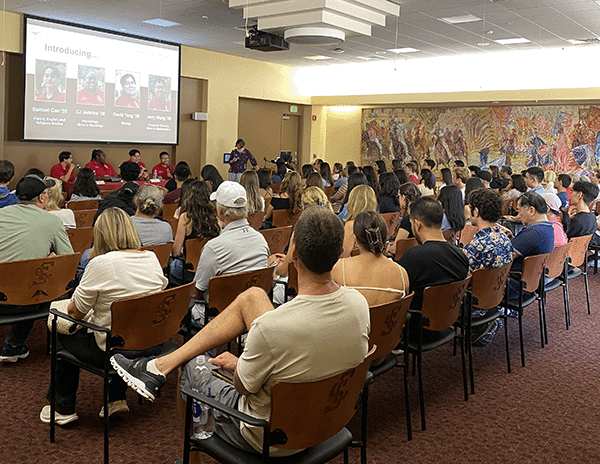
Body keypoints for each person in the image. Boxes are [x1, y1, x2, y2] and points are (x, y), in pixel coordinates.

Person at [110, 206, 369, 457]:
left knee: (191, 364)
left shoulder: (273, 329)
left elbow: (243, 387)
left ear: (295, 253)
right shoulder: (359, 304)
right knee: (254, 296)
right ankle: (158, 366)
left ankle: (193, 455)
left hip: (268, 436)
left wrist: (239, 365)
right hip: (326, 419)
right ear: (338, 253)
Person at [39, 207, 168, 424]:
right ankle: (115, 399)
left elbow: (75, 312)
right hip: (151, 342)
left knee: (62, 332)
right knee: (121, 327)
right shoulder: (152, 258)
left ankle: (62, 409)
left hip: (112, 349)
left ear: (99, 235)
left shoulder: (100, 263)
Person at [0, 174, 73, 362]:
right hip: (26, 301)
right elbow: (67, 261)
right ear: (42, 198)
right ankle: (14, 344)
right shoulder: (52, 221)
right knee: (38, 281)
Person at [187, 181, 270, 325]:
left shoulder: (214, 247)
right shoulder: (260, 239)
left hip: (219, 315)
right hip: (253, 310)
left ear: (220, 211)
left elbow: (197, 291)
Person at [398, 197, 469, 340]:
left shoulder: (412, 257)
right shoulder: (461, 256)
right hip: (448, 320)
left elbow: (399, 296)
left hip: (414, 329)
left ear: (417, 225)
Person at [333, 211, 408, 306]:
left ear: (356, 240)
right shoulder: (402, 274)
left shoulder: (338, 268)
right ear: (385, 238)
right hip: (386, 320)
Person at [170, 180, 220, 282]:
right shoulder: (216, 217)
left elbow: (176, 252)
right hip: (210, 269)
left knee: (172, 262)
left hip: (189, 271)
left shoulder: (185, 218)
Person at [508, 192, 554, 299]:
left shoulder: (533, 232)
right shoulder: (548, 228)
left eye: (519, 211)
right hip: (531, 282)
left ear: (531, 210)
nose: (518, 216)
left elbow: (506, 256)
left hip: (514, 284)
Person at [341, 185, 377, 258]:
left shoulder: (351, 225)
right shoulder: (378, 221)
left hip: (354, 266)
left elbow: (344, 254)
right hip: (374, 264)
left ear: (352, 201)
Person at [386, 182, 421, 256]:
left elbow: (396, 249)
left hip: (402, 258)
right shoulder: (421, 216)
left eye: (399, 196)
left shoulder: (408, 220)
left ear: (404, 198)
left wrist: (388, 247)